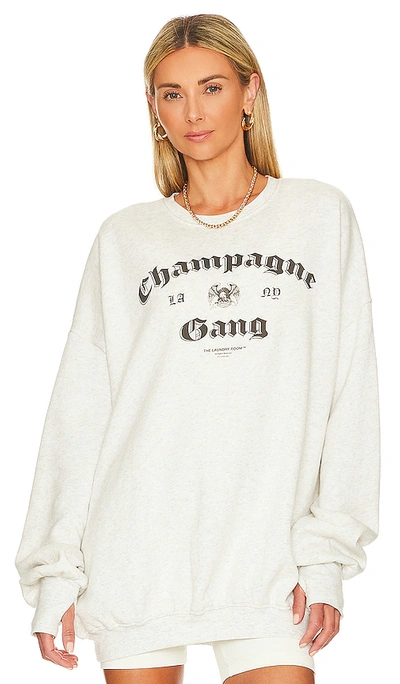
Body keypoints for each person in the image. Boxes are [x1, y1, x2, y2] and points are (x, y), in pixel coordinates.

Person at [14, 13, 381, 684]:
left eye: (212, 87)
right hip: (138, 554)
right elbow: (80, 410)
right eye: (172, 93)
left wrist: (326, 555)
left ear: (250, 91)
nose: (193, 112)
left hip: (270, 561)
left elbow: (350, 392)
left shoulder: (319, 216)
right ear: (153, 106)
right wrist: (56, 572)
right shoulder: (125, 238)